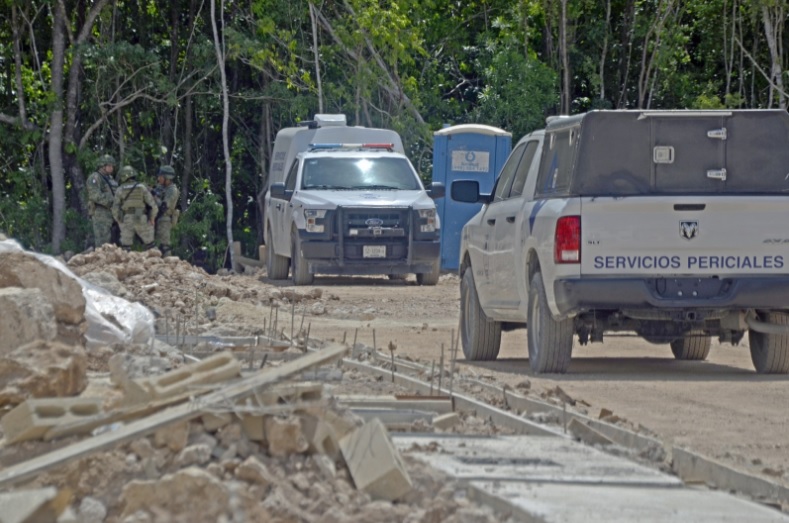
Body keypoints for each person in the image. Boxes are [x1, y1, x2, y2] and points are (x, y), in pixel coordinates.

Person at [112, 165, 157, 251]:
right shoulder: (142, 187)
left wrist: (118, 220)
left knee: (126, 246)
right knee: (150, 244)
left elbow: (115, 208)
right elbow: (152, 205)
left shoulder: (120, 189)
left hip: (127, 217)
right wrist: (152, 218)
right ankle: (158, 261)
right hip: (140, 215)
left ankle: (126, 262)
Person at [86, 154, 118, 247]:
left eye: (112, 166)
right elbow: (94, 195)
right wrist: (111, 201)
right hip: (101, 213)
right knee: (102, 241)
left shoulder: (110, 178)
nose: (112, 168)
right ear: (103, 166)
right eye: (109, 166)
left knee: (111, 241)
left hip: (111, 213)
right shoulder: (95, 178)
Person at [152, 165, 180, 256]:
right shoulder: (161, 187)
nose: (158, 178)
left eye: (161, 177)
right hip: (156, 218)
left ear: (167, 178)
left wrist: (155, 197)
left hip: (165, 219)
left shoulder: (172, 190)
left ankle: (169, 264)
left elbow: (164, 207)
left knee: (165, 246)